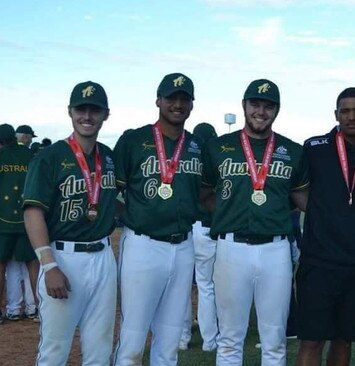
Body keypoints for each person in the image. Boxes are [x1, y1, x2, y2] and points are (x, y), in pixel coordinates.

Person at [202, 78, 309, 365]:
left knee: (274, 340)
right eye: (255, 104)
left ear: (277, 110)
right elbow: (205, 194)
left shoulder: (292, 151)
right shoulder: (218, 147)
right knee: (230, 339)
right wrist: (230, 212)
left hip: (276, 250)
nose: (261, 111)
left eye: (268, 106)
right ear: (244, 105)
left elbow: (303, 199)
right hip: (231, 248)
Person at [22, 81, 118, 364]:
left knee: (100, 350)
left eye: (94, 110)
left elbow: (116, 201)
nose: (87, 116)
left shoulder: (108, 157)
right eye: (81, 109)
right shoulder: (50, 157)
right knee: (55, 350)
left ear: (106, 114)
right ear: (70, 111)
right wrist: (49, 264)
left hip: (102, 257)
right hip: (64, 257)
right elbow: (32, 212)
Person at [113, 73, 203, 365]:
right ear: (158, 101)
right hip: (143, 244)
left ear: (191, 104)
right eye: (171, 98)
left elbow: (206, 193)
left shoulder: (197, 145)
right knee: (133, 336)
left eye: (184, 99)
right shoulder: (134, 140)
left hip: (183, 245)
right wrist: (131, 216)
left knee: (169, 338)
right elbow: (109, 190)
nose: (177, 104)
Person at [295, 87, 355, 366]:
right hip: (319, 262)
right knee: (311, 340)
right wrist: (323, 212)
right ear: (336, 114)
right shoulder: (314, 148)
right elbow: (295, 190)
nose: (351, 117)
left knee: (343, 339)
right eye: (345, 111)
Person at [179, 122, 219, 352]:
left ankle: (182, 339)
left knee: (182, 287)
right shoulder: (214, 163)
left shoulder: (188, 161)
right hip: (206, 231)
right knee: (206, 286)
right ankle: (210, 341)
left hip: (186, 230)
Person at [0, 123, 37, 323]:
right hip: (27, 218)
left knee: (1, 265)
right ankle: (37, 308)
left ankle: (2, 311)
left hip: (2, 220)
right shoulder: (29, 155)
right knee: (32, 264)